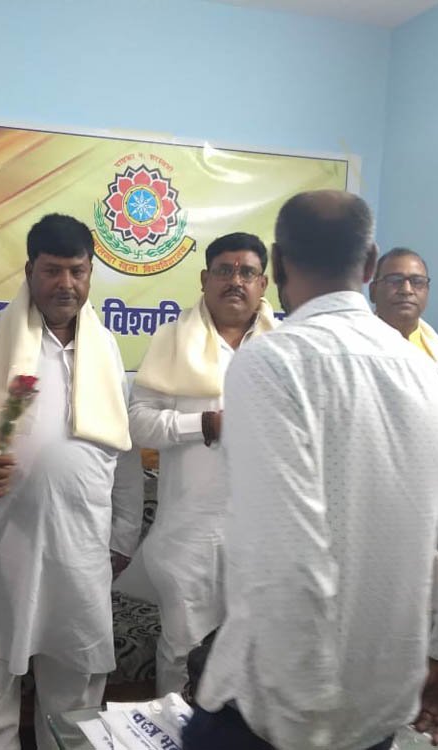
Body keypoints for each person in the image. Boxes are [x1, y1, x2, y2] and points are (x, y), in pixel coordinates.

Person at [184, 190, 438, 750]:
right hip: (379, 707)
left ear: (277, 262)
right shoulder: (429, 374)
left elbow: (289, 554)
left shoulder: (271, 363)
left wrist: (308, 714)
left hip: (276, 715)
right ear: (369, 264)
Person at [0, 213, 139, 750]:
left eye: (77, 271)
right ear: (28, 271)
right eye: (52, 270)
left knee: (77, 700)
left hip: (81, 549)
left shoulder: (107, 349)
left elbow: (124, 449)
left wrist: (123, 536)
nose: (66, 284)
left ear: (90, 274)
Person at [128, 231, 276, 694]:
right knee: (182, 651)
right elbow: (138, 424)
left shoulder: (285, 347)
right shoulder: (172, 340)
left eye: (247, 272)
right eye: (224, 270)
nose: (236, 281)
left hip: (266, 536)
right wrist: (205, 425)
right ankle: (173, 729)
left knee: (258, 655)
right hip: (189, 533)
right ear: (204, 278)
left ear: (263, 283)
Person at [369, 246, 438, 437]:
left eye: (417, 282)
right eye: (394, 280)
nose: (406, 290)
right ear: (373, 291)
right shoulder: (354, 349)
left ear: (427, 291)